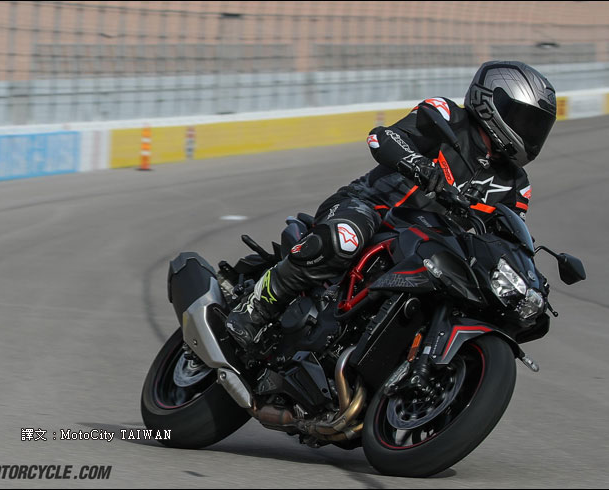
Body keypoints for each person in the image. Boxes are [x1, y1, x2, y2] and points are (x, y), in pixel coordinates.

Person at [226, 60, 558, 349]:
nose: (531, 133)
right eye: (525, 120)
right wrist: (419, 165)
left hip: (430, 249)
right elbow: (383, 137)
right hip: (373, 207)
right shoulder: (447, 116)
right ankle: (256, 308)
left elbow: (506, 236)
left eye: (537, 126)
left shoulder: (517, 184)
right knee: (345, 238)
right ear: (491, 102)